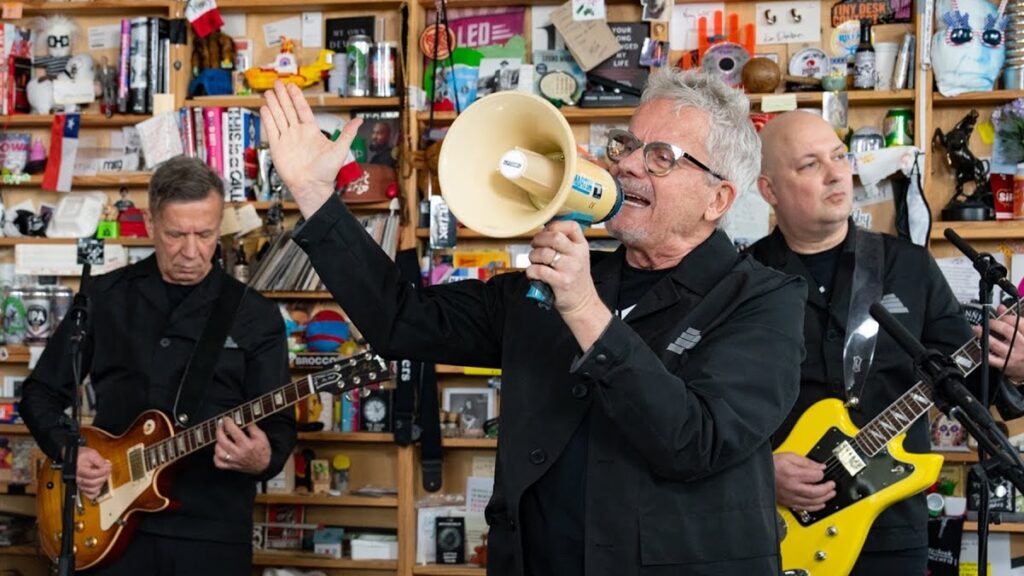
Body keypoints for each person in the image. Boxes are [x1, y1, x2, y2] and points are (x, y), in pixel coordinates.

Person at [261, 67, 807, 575]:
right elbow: (401, 320)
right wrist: (314, 195)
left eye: (662, 156)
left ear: (718, 198)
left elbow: (696, 441)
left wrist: (585, 309)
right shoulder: (558, 280)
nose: (629, 165)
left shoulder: (763, 299)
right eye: (627, 146)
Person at [20, 155, 295, 576]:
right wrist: (70, 451)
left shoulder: (254, 315)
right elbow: (40, 393)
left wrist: (262, 458)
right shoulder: (104, 296)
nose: (191, 251)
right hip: (108, 526)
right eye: (175, 234)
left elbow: (278, 428)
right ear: (150, 225)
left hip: (212, 532)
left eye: (205, 234)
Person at [748, 110, 975, 574]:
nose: (836, 173)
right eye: (809, 164)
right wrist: (757, 470)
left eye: (838, 156)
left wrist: (1015, 366)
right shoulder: (740, 281)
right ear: (768, 190)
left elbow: (972, 383)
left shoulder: (909, 267)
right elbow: (698, 407)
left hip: (890, 532)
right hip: (770, 529)